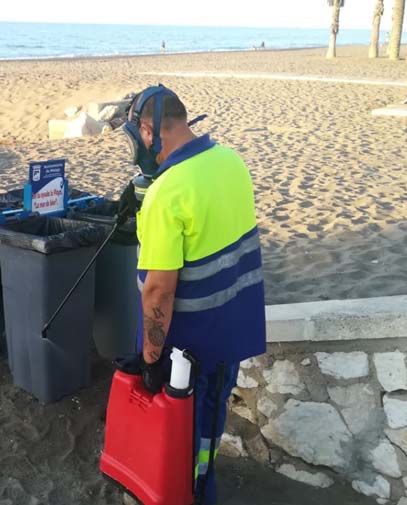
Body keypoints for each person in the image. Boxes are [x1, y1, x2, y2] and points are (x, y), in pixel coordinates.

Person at [118, 85, 266, 505]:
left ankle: (187, 493)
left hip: (187, 347)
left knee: (180, 434)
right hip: (229, 333)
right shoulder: (229, 160)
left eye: (135, 136)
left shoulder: (169, 192)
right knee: (209, 428)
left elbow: (158, 292)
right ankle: (201, 483)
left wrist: (149, 359)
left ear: (147, 132)